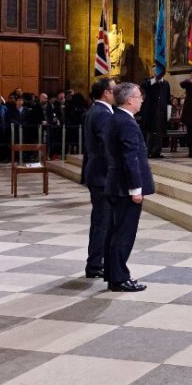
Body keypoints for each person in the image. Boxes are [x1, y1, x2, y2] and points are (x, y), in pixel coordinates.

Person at [103, 82, 153, 292]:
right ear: (130, 99)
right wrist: (136, 189)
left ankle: (113, 273)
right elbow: (130, 158)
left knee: (115, 232)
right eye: (139, 96)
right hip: (125, 188)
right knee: (124, 234)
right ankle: (119, 277)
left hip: (116, 184)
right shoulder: (126, 122)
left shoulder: (117, 118)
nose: (142, 100)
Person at [81, 77, 116, 280]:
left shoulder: (97, 110)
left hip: (97, 173)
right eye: (113, 89)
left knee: (101, 220)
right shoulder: (102, 113)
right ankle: (94, 264)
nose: (116, 92)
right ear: (106, 93)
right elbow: (106, 146)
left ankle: (96, 261)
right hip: (102, 175)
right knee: (102, 222)